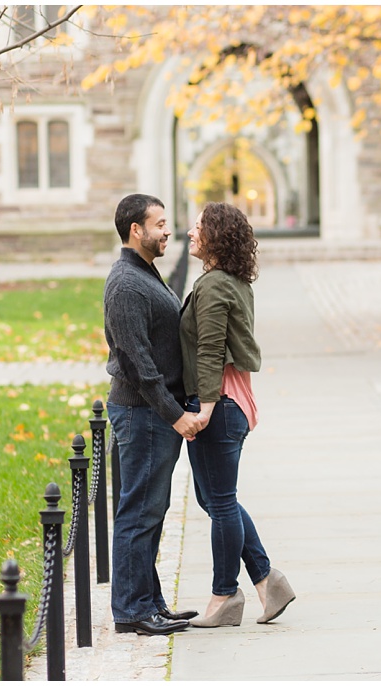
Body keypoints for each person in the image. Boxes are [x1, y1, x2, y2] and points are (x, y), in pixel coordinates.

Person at [180, 201, 295, 628]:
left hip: (220, 403)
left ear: (215, 236)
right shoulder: (233, 282)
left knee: (220, 503)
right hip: (234, 402)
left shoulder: (213, 286)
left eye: (197, 228)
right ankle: (267, 581)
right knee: (215, 499)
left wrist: (204, 408)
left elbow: (210, 349)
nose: (190, 234)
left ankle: (225, 594)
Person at [104, 193, 203, 636]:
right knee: (138, 511)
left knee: (152, 509)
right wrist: (174, 415)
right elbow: (139, 366)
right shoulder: (126, 284)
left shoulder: (143, 273)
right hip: (144, 413)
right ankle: (130, 610)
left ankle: (150, 602)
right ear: (135, 231)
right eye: (159, 224)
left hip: (154, 415)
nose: (168, 231)